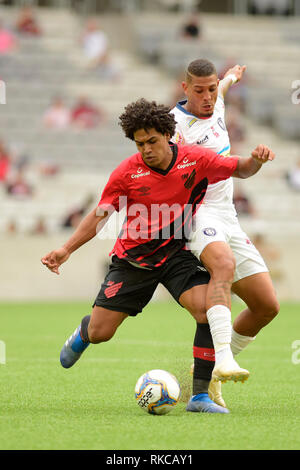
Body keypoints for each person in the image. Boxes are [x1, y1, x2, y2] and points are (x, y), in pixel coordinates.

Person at [41, 98, 275, 414]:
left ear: (167, 135)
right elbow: (99, 215)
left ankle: (200, 396)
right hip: (134, 261)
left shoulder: (195, 159)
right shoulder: (126, 173)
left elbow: (240, 168)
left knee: (207, 308)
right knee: (101, 332)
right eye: (140, 144)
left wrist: (257, 160)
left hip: (176, 254)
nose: (147, 149)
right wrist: (65, 249)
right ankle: (84, 332)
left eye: (152, 141)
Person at [171, 59, 279, 408]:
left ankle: (213, 367)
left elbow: (224, 88)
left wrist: (232, 76)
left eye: (212, 89)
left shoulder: (216, 101)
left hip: (228, 216)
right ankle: (222, 360)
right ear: (184, 88)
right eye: (198, 90)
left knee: (266, 306)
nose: (207, 97)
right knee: (223, 265)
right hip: (197, 214)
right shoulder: (175, 124)